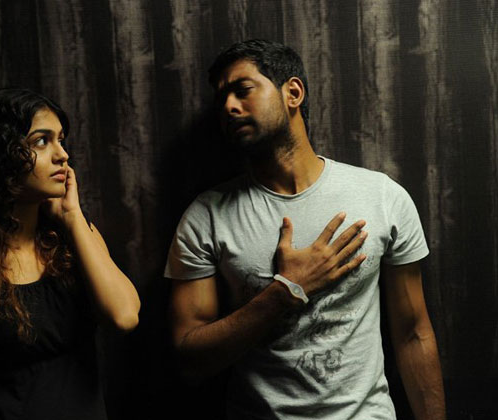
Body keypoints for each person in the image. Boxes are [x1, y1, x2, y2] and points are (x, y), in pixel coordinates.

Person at [166, 39, 445, 419]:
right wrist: (286, 291)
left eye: (243, 90)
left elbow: (412, 333)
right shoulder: (206, 216)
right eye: (222, 99)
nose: (229, 106)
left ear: (293, 93)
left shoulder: (381, 197)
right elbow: (189, 360)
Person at [0, 88, 141, 420]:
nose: (62, 155)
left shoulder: (75, 236)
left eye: (61, 140)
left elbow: (124, 316)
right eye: (41, 141)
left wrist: (73, 217)